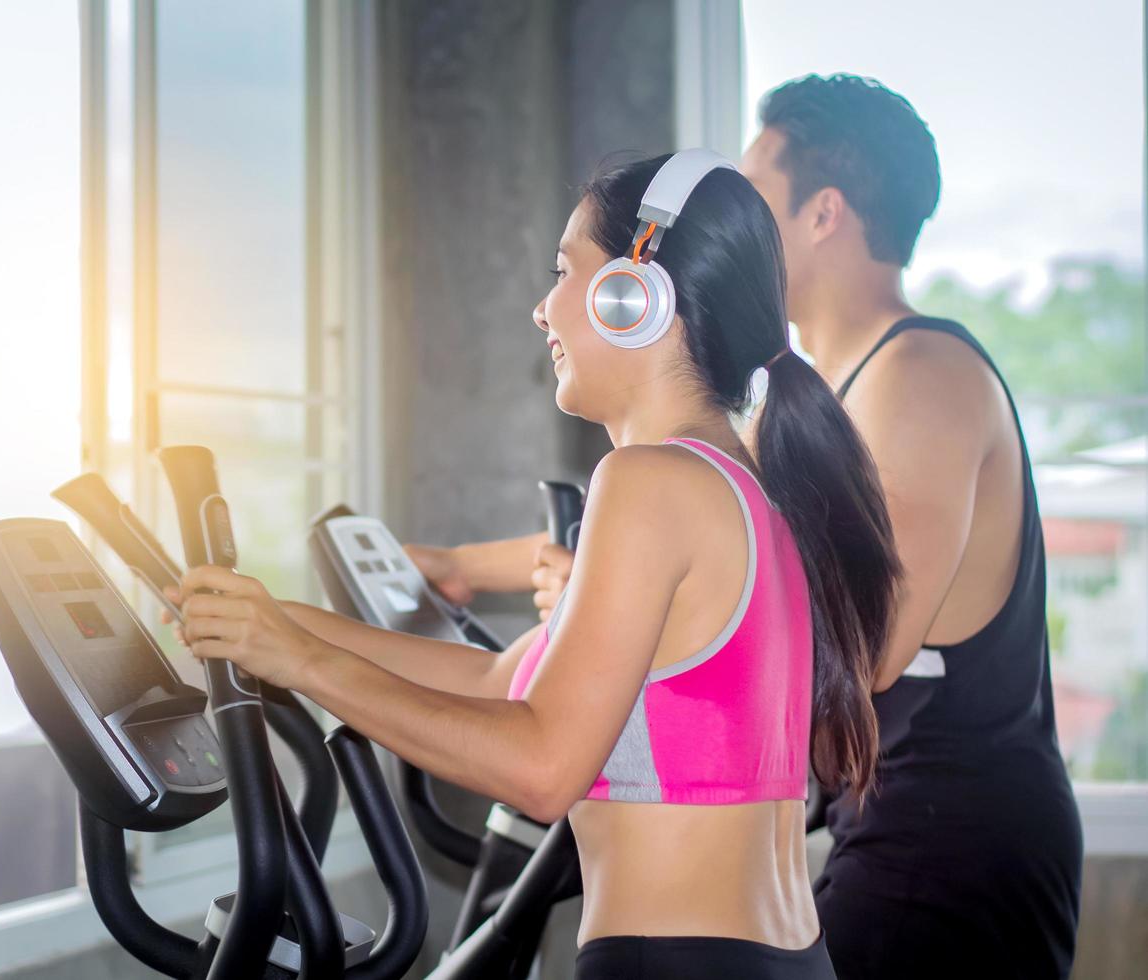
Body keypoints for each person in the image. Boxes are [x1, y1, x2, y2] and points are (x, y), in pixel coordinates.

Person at [169, 150, 900, 979]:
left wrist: (301, 660)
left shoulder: (648, 482)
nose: (541, 309)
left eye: (562, 272)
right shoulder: (750, 491)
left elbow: (543, 768)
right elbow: (497, 686)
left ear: (634, 296)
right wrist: (271, 624)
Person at [420, 76, 1085, 978]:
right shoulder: (794, 402)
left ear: (824, 214)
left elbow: (859, 644)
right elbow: (706, 545)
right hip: (881, 826)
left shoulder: (920, 374)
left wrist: (614, 614)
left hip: (950, 843)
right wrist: (465, 566)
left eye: (753, 183)